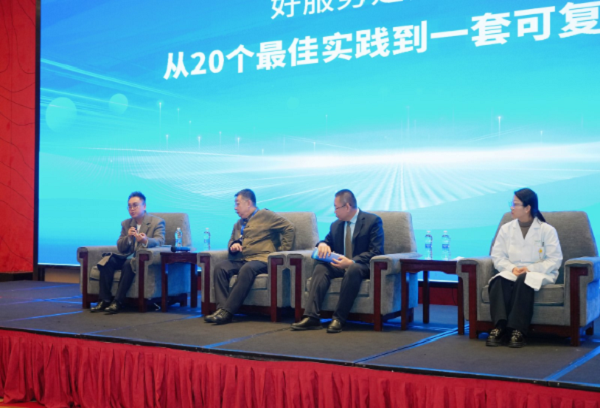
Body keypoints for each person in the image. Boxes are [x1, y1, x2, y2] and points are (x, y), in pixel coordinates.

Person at [291, 189, 384, 333]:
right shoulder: (336, 225)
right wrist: (322, 244)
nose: (334, 212)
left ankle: (339, 318)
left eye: (336, 207)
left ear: (347, 206)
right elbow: (327, 241)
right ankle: (312, 317)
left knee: (353, 268)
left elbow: (376, 251)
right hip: (340, 265)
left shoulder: (372, 221)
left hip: (362, 267)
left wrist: (351, 262)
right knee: (321, 267)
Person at [204, 189, 295, 325]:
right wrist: (233, 245)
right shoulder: (238, 224)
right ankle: (221, 310)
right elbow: (231, 241)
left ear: (248, 203)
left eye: (237, 204)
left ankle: (228, 311)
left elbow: (289, 228)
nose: (235, 208)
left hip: (263, 259)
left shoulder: (265, 215)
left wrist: (282, 252)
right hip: (242, 259)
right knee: (220, 267)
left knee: (247, 268)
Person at [486, 188, 562, 348]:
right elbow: (497, 256)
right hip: (513, 271)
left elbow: (555, 260)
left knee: (525, 279)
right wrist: (511, 268)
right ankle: (500, 327)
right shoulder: (506, 229)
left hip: (540, 273)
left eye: (515, 204)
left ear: (527, 208)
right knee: (498, 280)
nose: (511, 207)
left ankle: (517, 330)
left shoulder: (547, 230)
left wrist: (531, 268)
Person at [91, 192, 165, 314]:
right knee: (107, 261)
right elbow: (120, 247)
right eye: (129, 206)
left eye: (135, 205)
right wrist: (129, 238)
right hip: (127, 257)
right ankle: (104, 300)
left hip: (141, 260)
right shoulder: (126, 223)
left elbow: (160, 241)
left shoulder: (157, 222)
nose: (132, 209)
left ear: (144, 206)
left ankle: (118, 302)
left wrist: (145, 240)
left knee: (129, 263)